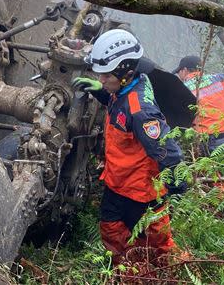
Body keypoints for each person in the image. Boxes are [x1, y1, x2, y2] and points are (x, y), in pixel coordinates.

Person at [72, 29, 185, 260]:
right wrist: (101, 93)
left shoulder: (141, 111)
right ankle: (128, 270)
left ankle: (165, 272)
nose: (101, 80)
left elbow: (167, 151)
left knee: (159, 245)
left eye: (106, 76)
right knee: (111, 230)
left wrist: (176, 188)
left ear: (126, 72)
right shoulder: (126, 86)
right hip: (117, 181)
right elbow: (119, 106)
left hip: (141, 191)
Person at [173, 56, 224, 154]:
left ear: (184, 70)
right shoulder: (218, 78)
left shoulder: (181, 89)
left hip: (213, 142)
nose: (179, 76)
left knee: (218, 169)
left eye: (179, 72)